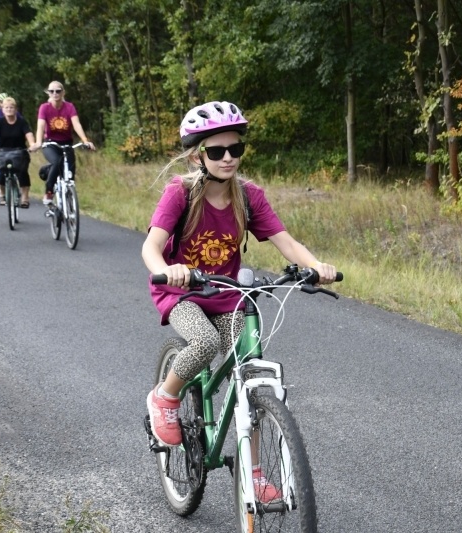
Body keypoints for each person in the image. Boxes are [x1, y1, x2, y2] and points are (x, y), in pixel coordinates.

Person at [142, 101, 337, 503]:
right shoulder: (180, 193)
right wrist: (167, 269)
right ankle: (165, 396)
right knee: (205, 342)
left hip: (226, 293)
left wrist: (316, 266)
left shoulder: (248, 196)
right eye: (217, 151)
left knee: (250, 372)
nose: (228, 157)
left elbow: (286, 242)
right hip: (182, 293)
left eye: (235, 149)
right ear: (198, 156)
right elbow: (151, 247)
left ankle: (255, 472)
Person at [30, 81, 94, 206]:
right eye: (52, 91)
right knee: (56, 162)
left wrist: (85, 140)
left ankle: (68, 204)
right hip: (51, 144)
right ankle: (49, 191)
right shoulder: (44, 108)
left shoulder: (69, 107)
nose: (55, 93)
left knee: (70, 174)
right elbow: (41, 126)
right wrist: (38, 142)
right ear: (48, 93)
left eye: (58, 91)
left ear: (63, 92)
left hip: (67, 144)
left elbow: (76, 124)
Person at [0, 97, 37, 207]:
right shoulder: (0, 122)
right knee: (1, 174)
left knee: (22, 172)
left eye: (11, 107)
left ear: (16, 109)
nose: (9, 109)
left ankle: (25, 197)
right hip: (3, 152)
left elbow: (28, 133)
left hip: (19, 151)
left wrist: (32, 144)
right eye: (6, 107)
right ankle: (2, 192)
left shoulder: (21, 121)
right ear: (3, 110)